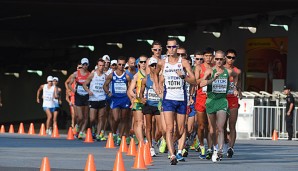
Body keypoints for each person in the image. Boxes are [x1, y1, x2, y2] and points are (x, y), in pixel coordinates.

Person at [153, 38, 195, 165]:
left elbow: (193, 80)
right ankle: (172, 155)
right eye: (169, 47)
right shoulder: (162, 62)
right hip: (168, 100)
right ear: (167, 48)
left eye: (173, 47)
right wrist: (157, 85)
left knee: (182, 130)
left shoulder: (184, 62)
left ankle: (172, 143)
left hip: (181, 99)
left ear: (177, 47)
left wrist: (183, 76)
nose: (171, 49)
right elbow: (154, 73)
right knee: (169, 128)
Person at [200, 50, 238, 163]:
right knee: (212, 130)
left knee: (220, 128)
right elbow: (201, 84)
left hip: (222, 101)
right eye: (217, 59)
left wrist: (234, 87)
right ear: (214, 59)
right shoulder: (210, 71)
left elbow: (236, 76)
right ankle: (213, 148)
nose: (219, 61)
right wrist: (212, 79)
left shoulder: (229, 71)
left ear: (224, 59)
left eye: (221, 59)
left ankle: (220, 150)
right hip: (211, 101)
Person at [103, 56, 131, 145]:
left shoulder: (127, 76)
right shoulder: (112, 75)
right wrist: (108, 92)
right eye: (119, 64)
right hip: (115, 99)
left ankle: (120, 136)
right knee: (116, 118)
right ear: (117, 64)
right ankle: (114, 132)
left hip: (124, 99)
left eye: (123, 65)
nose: (121, 66)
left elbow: (130, 88)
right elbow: (105, 85)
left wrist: (130, 97)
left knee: (123, 119)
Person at [194, 47, 214, 159]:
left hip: (212, 98)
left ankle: (210, 148)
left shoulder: (216, 67)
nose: (208, 58)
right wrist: (206, 77)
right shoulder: (199, 68)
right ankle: (202, 146)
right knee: (201, 126)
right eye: (206, 56)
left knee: (211, 127)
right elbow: (196, 83)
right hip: (201, 98)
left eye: (210, 56)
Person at [140, 57, 163, 157]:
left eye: (155, 65)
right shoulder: (145, 79)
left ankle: (154, 141)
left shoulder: (161, 78)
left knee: (161, 129)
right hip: (148, 104)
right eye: (152, 65)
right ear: (149, 67)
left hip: (158, 105)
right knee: (149, 126)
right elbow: (140, 93)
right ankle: (150, 147)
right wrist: (141, 99)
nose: (154, 67)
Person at [224, 49, 242, 158]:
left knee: (232, 124)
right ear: (225, 57)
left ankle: (231, 148)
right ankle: (224, 143)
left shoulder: (237, 71)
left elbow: (238, 85)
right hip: (222, 99)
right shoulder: (220, 69)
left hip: (233, 100)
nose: (231, 59)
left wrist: (239, 91)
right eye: (229, 57)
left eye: (233, 58)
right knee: (221, 126)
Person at [83, 59, 107, 141]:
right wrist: (88, 91)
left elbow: (108, 85)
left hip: (102, 98)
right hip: (93, 98)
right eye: (100, 65)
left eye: (103, 65)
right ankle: (93, 129)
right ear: (97, 66)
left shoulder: (105, 76)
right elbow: (84, 84)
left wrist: (108, 92)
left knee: (101, 117)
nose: (101, 67)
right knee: (92, 118)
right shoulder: (93, 74)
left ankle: (98, 134)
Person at [68, 58, 90, 139]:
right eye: (83, 64)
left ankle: (81, 132)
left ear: (88, 65)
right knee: (80, 117)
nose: (84, 66)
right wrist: (73, 90)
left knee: (86, 116)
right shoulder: (76, 74)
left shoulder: (90, 74)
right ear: (81, 64)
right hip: (78, 96)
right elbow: (69, 84)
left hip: (87, 96)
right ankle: (77, 126)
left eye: (86, 64)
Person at [127, 55, 148, 145]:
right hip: (138, 102)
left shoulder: (150, 74)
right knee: (139, 122)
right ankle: (141, 143)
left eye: (145, 62)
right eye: (141, 62)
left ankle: (148, 140)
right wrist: (136, 96)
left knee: (147, 125)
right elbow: (130, 90)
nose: (143, 64)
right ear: (138, 64)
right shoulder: (136, 75)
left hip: (149, 101)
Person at [65, 64, 81, 130]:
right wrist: (68, 90)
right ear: (77, 68)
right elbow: (66, 82)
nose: (80, 69)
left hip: (81, 96)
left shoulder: (86, 75)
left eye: (81, 67)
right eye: (79, 67)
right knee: (74, 114)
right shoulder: (73, 75)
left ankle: (78, 128)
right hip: (73, 96)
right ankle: (73, 127)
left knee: (81, 115)